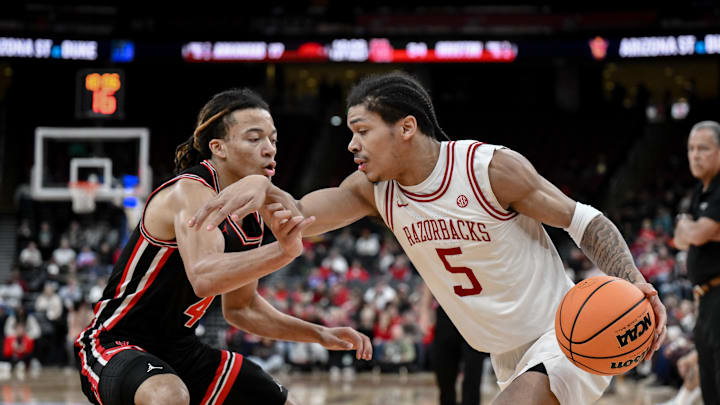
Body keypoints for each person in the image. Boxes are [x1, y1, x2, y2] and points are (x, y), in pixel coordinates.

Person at [189, 72, 667, 405]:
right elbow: (292, 218)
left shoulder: (488, 169)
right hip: (505, 352)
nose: (351, 144)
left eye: (362, 131)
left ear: (406, 128)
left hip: (565, 333)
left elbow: (585, 220)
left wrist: (632, 280)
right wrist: (259, 186)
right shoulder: (374, 193)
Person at [75, 88, 372, 405]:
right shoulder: (189, 191)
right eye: (254, 139)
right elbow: (204, 277)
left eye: (272, 139)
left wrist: (319, 334)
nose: (269, 149)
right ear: (218, 148)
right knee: (168, 395)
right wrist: (283, 251)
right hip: (115, 343)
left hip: (182, 350)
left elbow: (242, 309)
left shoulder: (251, 219)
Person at [673, 120, 720, 405]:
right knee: (709, 381)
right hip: (705, 296)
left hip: (718, 296)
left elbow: (698, 234)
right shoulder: (700, 190)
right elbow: (680, 239)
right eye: (691, 148)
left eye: (703, 148)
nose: (695, 155)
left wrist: (697, 230)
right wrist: (697, 230)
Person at [420, 284, 488, 405]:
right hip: (447, 310)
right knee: (444, 371)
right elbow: (429, 279)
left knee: (473, 372)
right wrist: (425, 310)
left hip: (475, 312)